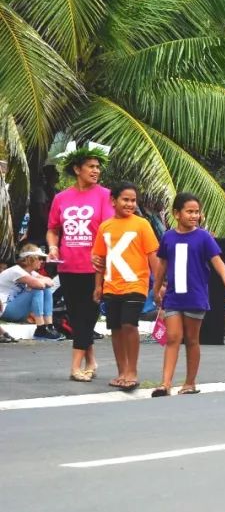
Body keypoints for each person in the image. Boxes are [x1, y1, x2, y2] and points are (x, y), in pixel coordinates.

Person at [151, 193, 225, 397]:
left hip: (195, 296)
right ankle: (165, 383)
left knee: (191, 340)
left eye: (197, 212)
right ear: (176, 214)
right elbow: (162, 264)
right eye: (189, 211)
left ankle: (190, 382)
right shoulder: (168, 236)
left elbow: (217, 261)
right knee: (172, 338)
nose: (194, 215)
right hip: (173, 296)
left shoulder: (203, 237)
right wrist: (156, 288)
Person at [48, 147, 113, 382]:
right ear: (77, 169)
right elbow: (53, 229)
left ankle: (75, 367)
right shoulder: (61, 198)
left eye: (98, 167)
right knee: (76, 318)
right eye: (91, 166)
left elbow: (108, 230)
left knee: (88, 315)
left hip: (95, 269)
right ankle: (91, 361)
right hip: (67, 266)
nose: (96, 171)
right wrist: (53, 246)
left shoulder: (105, 195)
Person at [91, 182, 160, 392]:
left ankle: (132, 372)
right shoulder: (105, 227)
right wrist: (97, 286)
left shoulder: (142, 225)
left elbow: (153, 256)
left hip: (136, 284)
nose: (130, 204)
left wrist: (158, 285)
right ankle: (121, 372)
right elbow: (100, 260)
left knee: (129, 325)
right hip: (111, 285)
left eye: (133, 200)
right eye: (125, 199)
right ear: (113, 201)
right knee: (116, 328)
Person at [0, 245, 64, 341]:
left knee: (44, 288)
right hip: (5, 309)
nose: (42, 261)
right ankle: (40, 328)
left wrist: (40, 282)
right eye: (39, 258)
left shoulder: (31, 273)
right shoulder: (16, 270)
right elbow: (40, 285)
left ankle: (49, 326)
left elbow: (50, 282)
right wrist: (38, 283)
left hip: (18, 310)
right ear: (30, 259)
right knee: (37, 288)